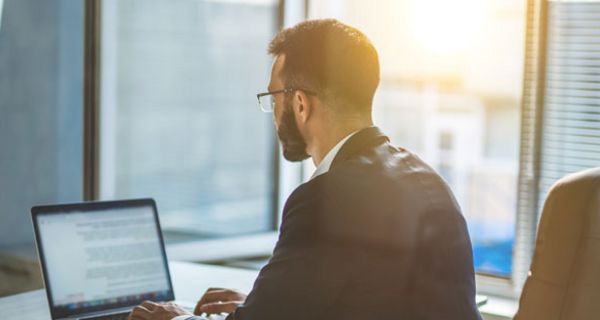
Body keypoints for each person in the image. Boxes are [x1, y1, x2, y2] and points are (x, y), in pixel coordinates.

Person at [128, 19, 482, 320]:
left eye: (274, 98)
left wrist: (178, 318)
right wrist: (262, 303)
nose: (273, 113)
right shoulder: (427, 179)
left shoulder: (324, 199)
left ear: (300, 103)